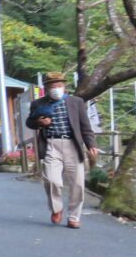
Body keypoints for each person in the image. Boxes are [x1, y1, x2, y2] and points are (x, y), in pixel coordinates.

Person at [25, 71, 98, 229]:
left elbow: (85, 126)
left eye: (59, 86)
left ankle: (74, 217)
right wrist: (40, 123)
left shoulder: (76, 102)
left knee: (77, 183)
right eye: (53, 86)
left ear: (64, 86)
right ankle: (56, 208)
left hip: (73, 144)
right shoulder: (38, 104)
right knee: (51, 180)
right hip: (51, 144)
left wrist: (91, 144)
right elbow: (29, 122)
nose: (56, 89)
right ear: (46, 88)